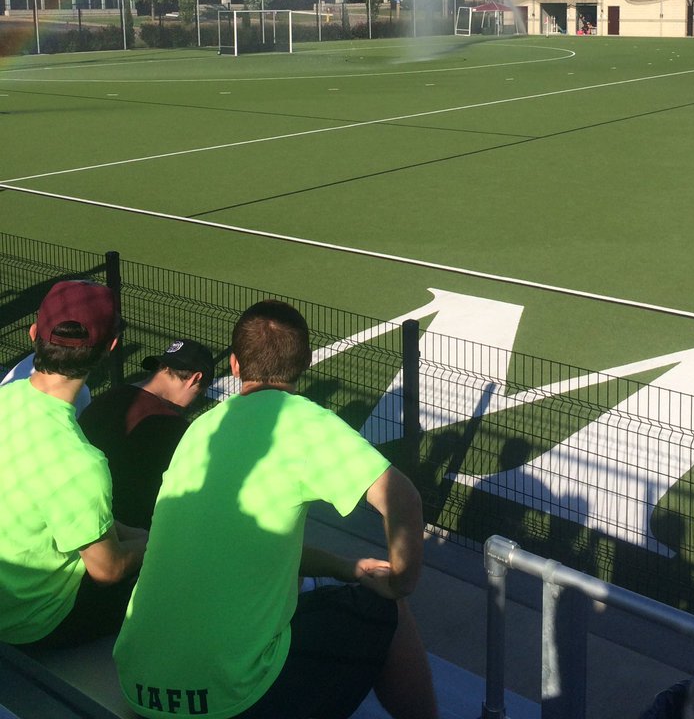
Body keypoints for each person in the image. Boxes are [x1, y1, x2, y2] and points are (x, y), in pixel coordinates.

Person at [114, 299, 436, 719]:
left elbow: (240, 545)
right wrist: (401, 584)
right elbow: (403, 498)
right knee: (388, 614)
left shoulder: (201, 429)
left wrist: (347, 567)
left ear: (234, 365)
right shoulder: (305, 422)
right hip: (230, 699)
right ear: (303, 363)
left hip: (139, 685)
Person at [0, 280, 148, 649]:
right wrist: (149, 542)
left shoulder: (6, 398)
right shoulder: (80, 462)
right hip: (30, 625)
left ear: (34, 332)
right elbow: (108, 570)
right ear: (111, 346)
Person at [79, 337, 215, 528]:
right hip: (131, 536)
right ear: (195, 379)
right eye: (198, 394)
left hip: (79, 517)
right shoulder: (175, 430)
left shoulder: (105, 399)